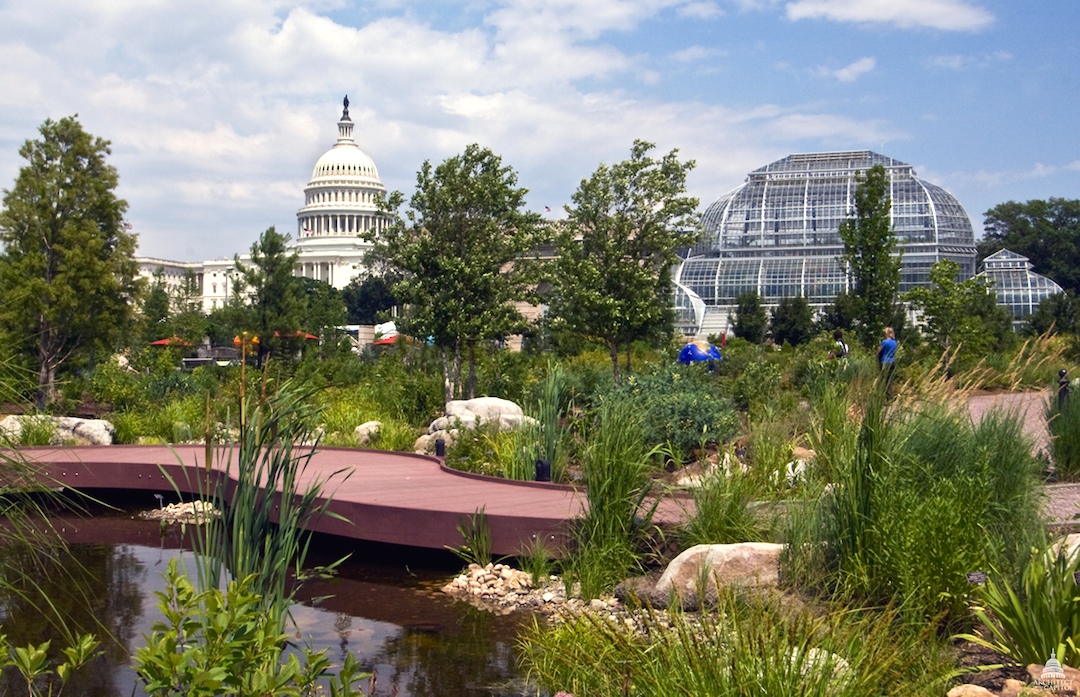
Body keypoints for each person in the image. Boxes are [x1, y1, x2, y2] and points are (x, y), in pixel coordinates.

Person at [877, 326, 897, 397]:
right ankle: (890, 394)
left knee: (883, 380)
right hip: (892, 361)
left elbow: (879, 351)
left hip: (885, 362)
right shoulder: (894, 342)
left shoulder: (884, 342)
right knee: (889, 380)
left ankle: (886, 396)